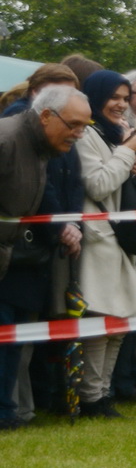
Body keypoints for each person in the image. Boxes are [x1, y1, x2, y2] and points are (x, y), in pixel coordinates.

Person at [0, 85, 88, 429]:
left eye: (84, 125)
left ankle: (6, 413)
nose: (79, 134)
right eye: (74, 124)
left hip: (14, 260)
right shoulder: (6, 141)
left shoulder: (41, 146)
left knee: (11, 341)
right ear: (47, 115)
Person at [75, 71, 136, 419]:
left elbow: (126, 180)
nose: (121, 105)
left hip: (122, 239)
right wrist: (126, 152)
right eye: (115, 97)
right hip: (98, 239)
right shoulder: (87, 136)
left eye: (126, 98)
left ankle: (103, 393)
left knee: (122, 320)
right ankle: (91, 397)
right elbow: (97, 184)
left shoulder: (114, 136)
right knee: (102, 319)